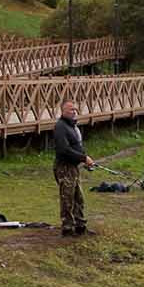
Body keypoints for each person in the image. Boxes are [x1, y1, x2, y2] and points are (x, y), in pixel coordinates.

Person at [53, 100, 97, 235]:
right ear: (63, 111)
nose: (74, 112)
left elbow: (76, 146)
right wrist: (83, 158)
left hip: (74, 167)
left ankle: (80, 226)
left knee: (79, 198)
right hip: (64, 167)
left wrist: (84, 159)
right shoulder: (60, 126)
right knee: (67, 198)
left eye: (75, 110)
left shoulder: (72, 126)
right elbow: (64, 149)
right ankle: (67, 228)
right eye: (71, 110)